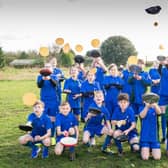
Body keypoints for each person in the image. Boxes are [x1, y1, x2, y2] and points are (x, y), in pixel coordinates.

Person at [37, 63, 59, 137]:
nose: (47, 68)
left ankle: (52, 135)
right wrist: (43, 80)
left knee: (52, 118)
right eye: (45, 67)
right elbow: (39, 86)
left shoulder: (54, 76)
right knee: (43, 117)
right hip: (43, 100)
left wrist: (50, 79)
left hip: (53, 100)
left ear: (52, 69)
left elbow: (55, 85)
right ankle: (44, 134)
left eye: (49, 67)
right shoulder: (40, 76)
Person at [158, 57, 168, 143]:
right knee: (163, 115)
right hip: (163, 95)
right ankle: (164, 136)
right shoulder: (163, 69)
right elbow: (159, 69)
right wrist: (161, 62)